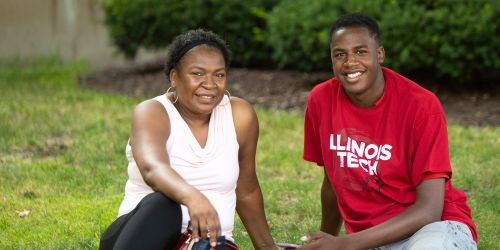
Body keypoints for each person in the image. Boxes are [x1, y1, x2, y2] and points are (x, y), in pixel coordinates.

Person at [300, 13, 477, 250]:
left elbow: (429, 209)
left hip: (431, 230)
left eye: (361, 52)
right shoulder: (321, 100)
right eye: (340, 54)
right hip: (372, 239)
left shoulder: (421, 105)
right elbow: (332, 182)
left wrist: (343, 244)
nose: (350, 62)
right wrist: (326, 240)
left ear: (379, 54)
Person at [99, 29, 276, 250]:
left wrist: (268, 247)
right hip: (143, 237)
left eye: (219, 74)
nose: (210, 84)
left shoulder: (239, 115)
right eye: (198, 74)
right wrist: (193, 197)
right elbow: (152, 168)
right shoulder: (152, 112)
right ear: (174, 76)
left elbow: (246, 188)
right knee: (165, 204)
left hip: (207, 244)